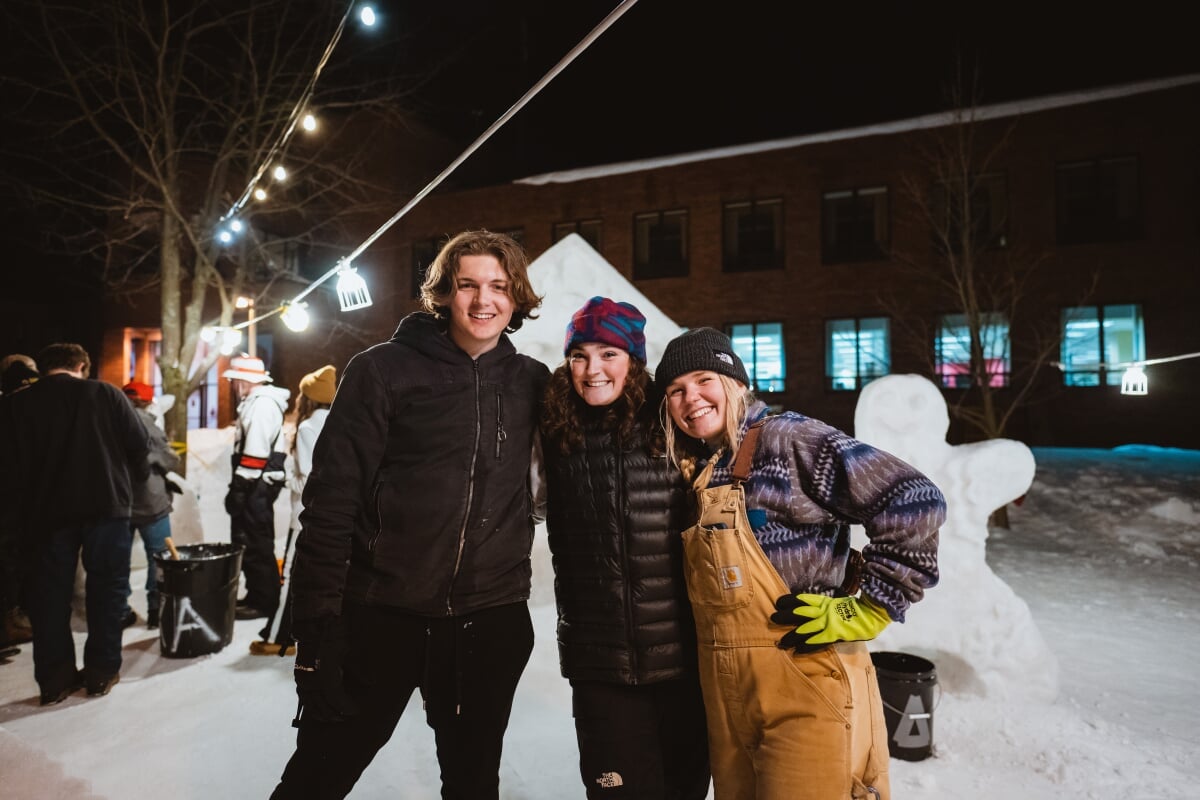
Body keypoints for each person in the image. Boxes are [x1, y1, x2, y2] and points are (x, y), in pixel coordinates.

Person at [272, 230, 549, 800]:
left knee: (473, 783)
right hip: (381, 614)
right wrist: (317, 629)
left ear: (517, 298)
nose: (483, 300)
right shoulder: (382, 371)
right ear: (443, 293)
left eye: (498, 286)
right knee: (318, 777)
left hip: (488, 618)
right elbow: (329, 503)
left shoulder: (532, 384)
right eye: (467, 285)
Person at [655, 327, 946, 800]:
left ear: (734, 382)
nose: (691, 399)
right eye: (675, 390)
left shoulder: (787, 439)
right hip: (731, 697)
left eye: (704, 379)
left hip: (805, 680)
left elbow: (914, 500)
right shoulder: (711, 466)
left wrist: (870, 607)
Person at [540, 297, 711, 799]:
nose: (593, 370)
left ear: (633, 360)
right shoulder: (550, 429)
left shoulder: (672, 423)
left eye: (608, 353)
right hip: (600, 665)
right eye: (580, 355)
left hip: (683, 660)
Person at [0, 343, 149, 703]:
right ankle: (101, 672)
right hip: (106, 506)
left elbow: (10, 467)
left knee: (48, 598)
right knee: (107, 590)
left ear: (46, 368)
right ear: (82, 365)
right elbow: (139, 444)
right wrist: (132, 485)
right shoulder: (105, 394)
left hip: (45, 514)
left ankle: (54, 681)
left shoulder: (17, 404)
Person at [250, 364, 336, 656]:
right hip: (333, 519)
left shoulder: (309, 427)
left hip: (304, 518)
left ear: (308, 397)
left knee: (290, 578)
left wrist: (283, 476)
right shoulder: (339, 422)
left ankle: (280, 637)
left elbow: (312, 480)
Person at [221, 354, 290, 622]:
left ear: (243, 381)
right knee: (250, 542)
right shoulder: (257, 403)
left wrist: (239, 488)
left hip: (256, 485)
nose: (233, 385)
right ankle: (256, 596)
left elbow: (256, 453)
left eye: (235, 380)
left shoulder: (261, 406)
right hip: (255, 483)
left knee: (257, 542)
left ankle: (264, 601)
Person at [121, 381, 182, 630]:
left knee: (117, 558)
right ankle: (157, 609)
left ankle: (118, 609)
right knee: (159, 556)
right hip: (150, 500)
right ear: (147, 401)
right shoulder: (144, 422)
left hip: (119, 502)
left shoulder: (108, 421)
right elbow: (168, 458)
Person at [0, 354, 39, 660]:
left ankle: (9, 625)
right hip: (13, 504)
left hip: (15, 503)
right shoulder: (17, 413)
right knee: (9, 565)